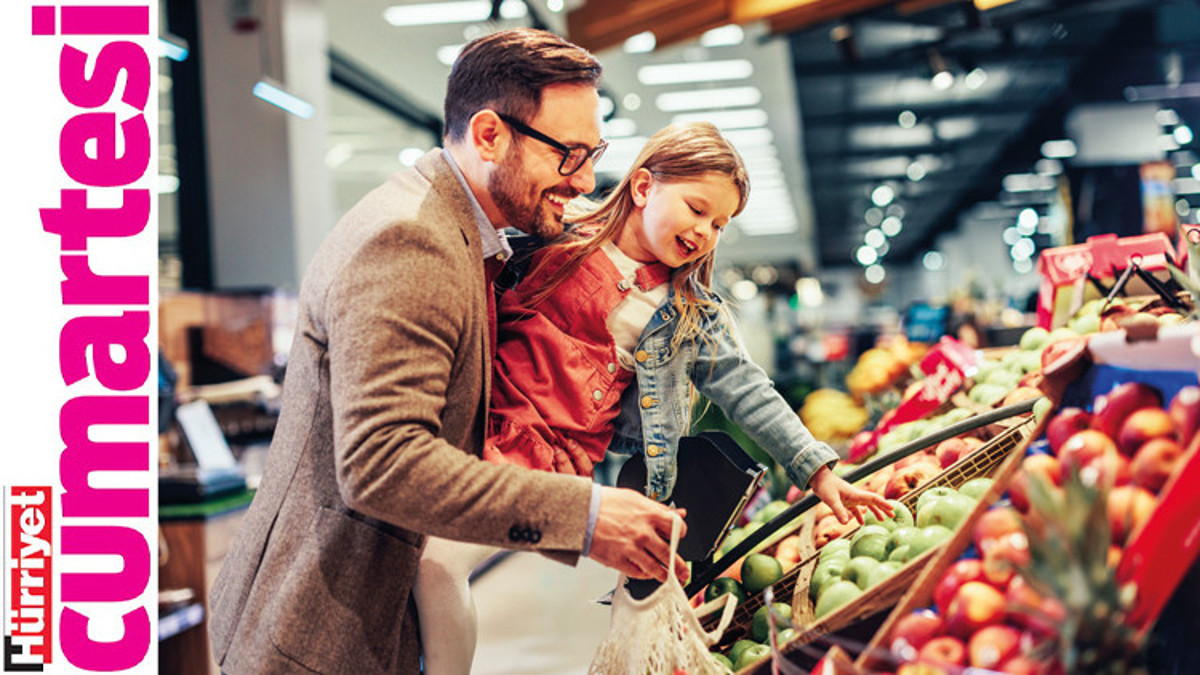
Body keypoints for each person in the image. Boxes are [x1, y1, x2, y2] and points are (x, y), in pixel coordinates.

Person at [207, 28, 688, 675]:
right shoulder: (412, 240)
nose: (585, 180)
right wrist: (587, 515)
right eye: (569, 154)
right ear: (490, 135)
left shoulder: (468, 237)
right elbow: (383, 462)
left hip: (366, 620)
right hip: (319, 637)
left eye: (592, 153)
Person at [415, 122, 893, 673]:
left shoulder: (689, 314)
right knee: (416, 560)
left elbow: (748, 390)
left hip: (543, 460)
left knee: (438, 562)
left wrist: (818, 470)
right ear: (643, 187)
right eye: (696, 208)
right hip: (468, 424)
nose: (706, 231)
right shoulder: (553, 236)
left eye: (720, 223)